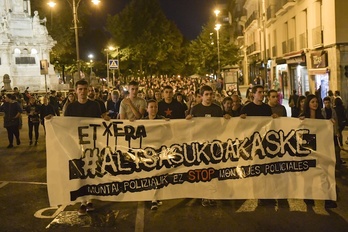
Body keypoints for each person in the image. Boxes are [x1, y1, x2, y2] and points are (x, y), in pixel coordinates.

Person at [63, 79, 109, 216]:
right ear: (76, 91)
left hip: (92, 144)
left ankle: (89, 200)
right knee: (80, 172)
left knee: (91, 171)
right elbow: (65, 124)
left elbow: (100, 123)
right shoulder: (70, 107)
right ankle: (82, 202)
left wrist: (105, 119)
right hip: (76, 144)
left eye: (85, 89)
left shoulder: (95, 105)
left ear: (88, 90)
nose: (83, 92)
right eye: (80, 89)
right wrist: (51, 120)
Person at [186, 85, 229, 207]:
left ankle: (212, 194)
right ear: (201, 96)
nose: (209, 97)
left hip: (213, 144)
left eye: (211, 94)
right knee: (202, 170)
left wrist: (226, 119)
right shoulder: (195, 109)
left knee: (213, 169)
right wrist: (188, 120)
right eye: (206, 94)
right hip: (200, 145)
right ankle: (204, 195)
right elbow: (191, 127)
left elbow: (221, 127)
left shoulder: (217, 109)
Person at [300, 94, 337, 208]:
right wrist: (299, 121)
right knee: (308, 175)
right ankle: (308, 196)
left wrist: (330, 123)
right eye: (312, 102)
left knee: (324, 174)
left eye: (316, 101)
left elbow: (325, 130)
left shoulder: (321, 117)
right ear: (308, 104)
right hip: (307, 149)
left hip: (320, 148)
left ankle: (327, 199)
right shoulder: (303, 116)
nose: (315, 104)